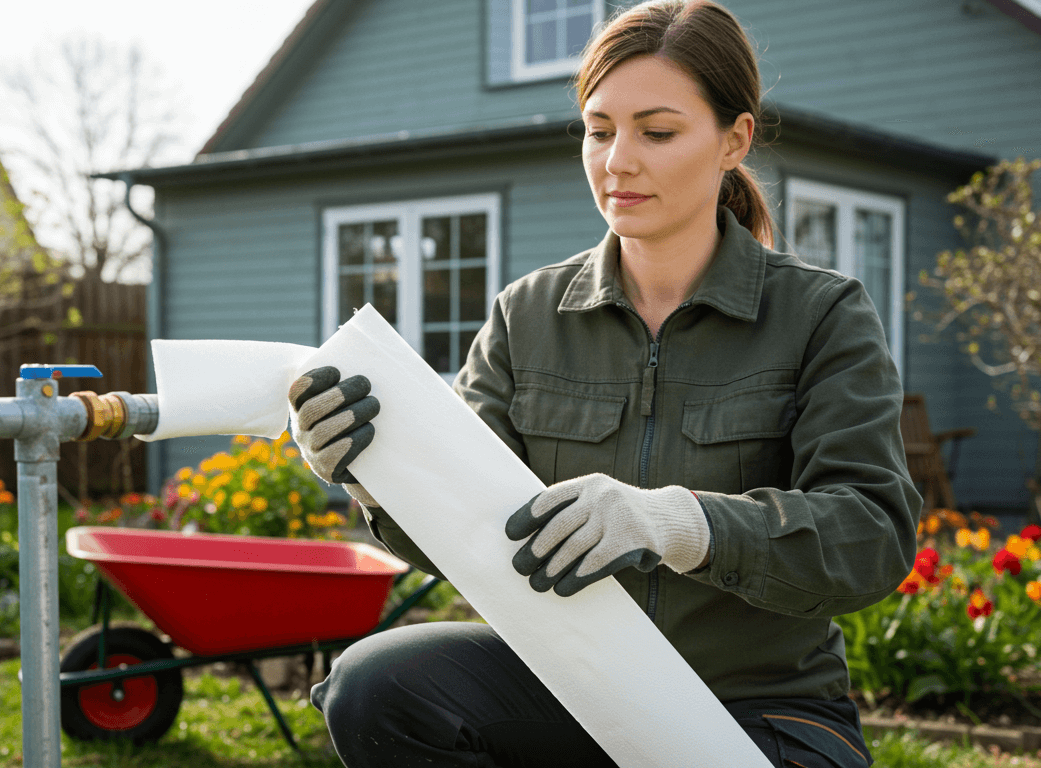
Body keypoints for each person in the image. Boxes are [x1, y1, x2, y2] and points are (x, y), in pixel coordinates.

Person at [287, 1, 920, 765]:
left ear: (734, 140)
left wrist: (677, 523)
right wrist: (375, 477)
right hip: (572, 687)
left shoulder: (822, 314)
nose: (618, 160)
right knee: (376, 683)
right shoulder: (526, 315)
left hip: (762, 708)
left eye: (657, 132)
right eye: (599, 129)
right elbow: (466, 523)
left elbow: (871, 537)